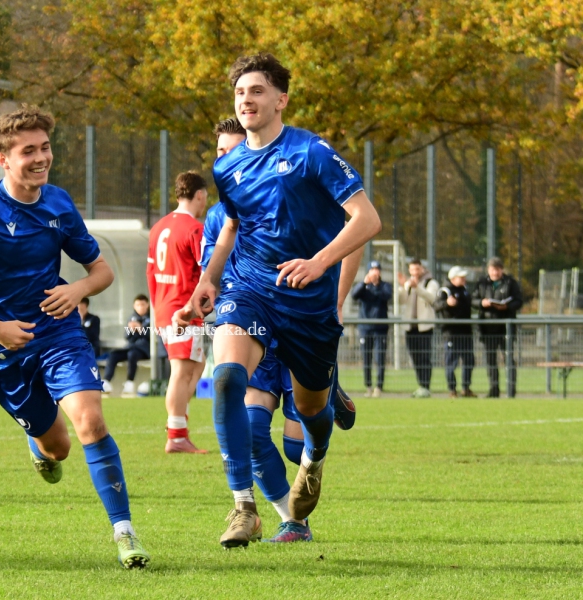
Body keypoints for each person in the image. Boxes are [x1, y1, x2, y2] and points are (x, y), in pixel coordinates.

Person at [0, 104, 150, 568]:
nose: (41, 158)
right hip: (3, 349)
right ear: (3, 159)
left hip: (58, 332)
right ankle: (40, 446)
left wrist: (78, 289)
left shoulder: (59, 203)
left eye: (45, 147)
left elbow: (101, 270)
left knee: (90, 422)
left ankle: (125, 534)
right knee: (59, 447)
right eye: (29, 151)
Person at [177, 53, 381, 548]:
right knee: (225, 378)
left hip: (306, 302)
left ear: (280, 100)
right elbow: (229, 228)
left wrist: (319, 263)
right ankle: (243, 506)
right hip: (249, 292)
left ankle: (314, 456)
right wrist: (208, 281)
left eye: (257, 91)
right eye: (240, 92)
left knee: (311, 413)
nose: (246, 99)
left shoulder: (312, 152)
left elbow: (367, 219)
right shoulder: (227, 167)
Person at [202, 117, 361, 543]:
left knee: (297, 442)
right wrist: (206, 284)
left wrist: (336, 296)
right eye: (220, 152)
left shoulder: (303, 167)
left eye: (231, 149)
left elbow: (359, 228)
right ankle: (264, 512)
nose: (227, 159)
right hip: (250, 309)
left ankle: (322, 419)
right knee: (234, 394)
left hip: (304, 310)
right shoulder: (220, 212)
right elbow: (220, 250)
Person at [147, 171, 208, 454]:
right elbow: (206, 271)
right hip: (183, 309)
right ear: (199, 195)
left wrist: (157, 307)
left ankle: (178, 419)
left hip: (163, 307)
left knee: (195, 365)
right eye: (205, 195)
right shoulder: (194, 228)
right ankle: (177, 435)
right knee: (182, 372)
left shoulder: (158, 227)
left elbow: (150, 272)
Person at [472, 257, 523, 398]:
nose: (495, 272)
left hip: (506, 327)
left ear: (502, 270)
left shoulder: (510, 283)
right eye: (493, 269)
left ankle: (511, 390)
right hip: (488, 327)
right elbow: (473, 300)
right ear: (489, 270)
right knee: (490, 360)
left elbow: (519, 301)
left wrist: (507, 306)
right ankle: (494, 390)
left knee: (508, 358)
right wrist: (482, 303)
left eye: (498, 269)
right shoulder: (482, 283)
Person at [398, 259, 439, 397]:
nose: (415, 272)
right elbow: (401, 300)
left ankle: (426, 386)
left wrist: (417, 288)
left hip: (424, 326)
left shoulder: (430, 282)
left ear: (422, 269)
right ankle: (421, 385)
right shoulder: (408, 283)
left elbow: (432, 298)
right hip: (410, 326)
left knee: (424, 357)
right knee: (415, 357)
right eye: (412, 269)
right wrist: (402, 286)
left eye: (417, 269)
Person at [351, 260, 392, 398]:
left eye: (377, 269)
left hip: (380, 328)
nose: (375, 272)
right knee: (366, 358)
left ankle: (379, 386)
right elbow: (354, 295)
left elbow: (387, 296)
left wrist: (376, 285)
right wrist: (364, 283)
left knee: (380, 358)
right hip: (365, 328)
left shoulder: (385, 286)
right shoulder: (363, 286)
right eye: (372, 269)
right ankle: (368, 386)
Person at [434, 266, 476, 398]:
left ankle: (466, 388)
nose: (464, 279)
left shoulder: (465, 291)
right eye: (461, 277)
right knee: (451, 362)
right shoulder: (445, 291)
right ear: (453, 278)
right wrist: (446, 303)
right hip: (451, 333)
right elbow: (436, 305)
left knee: (469, 361)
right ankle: (452, 389)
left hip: (466, 332)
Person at [101, 295, 151, 397]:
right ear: (134, 306)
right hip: (131, 347)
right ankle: (106, 381)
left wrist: (141, 329)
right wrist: (131, 330)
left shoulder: (152, 318)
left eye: (142, 304)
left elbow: (153, 336)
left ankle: (130, 382)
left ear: (148, 305)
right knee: (113, 354)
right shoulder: (132, 318)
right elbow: (126, 337)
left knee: (132, 354)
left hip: (145, 349)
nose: (140, 307)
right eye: (138, 305)